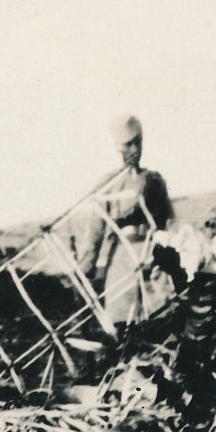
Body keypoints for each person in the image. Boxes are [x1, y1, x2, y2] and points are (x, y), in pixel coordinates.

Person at [73, 114, 175, 324]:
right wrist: (85, 269)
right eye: (128, 145)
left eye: (137, 143)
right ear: (119, 148)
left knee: (160, 315)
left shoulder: (154, 180)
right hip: (121, 256)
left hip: (151, 252)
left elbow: (169, 220)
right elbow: (95, 229)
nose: (134, 150)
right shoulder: (109, 184)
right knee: (122, 319)